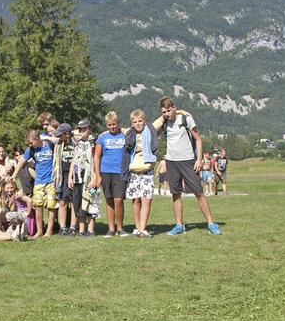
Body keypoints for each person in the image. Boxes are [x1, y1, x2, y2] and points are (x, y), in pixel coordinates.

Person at [156, 96, 221, 235]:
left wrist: (199, 159)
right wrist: (175, 112)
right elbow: (153, 132)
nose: (166, 114)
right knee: (176, 194)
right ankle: (179, 225)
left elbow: (198, 139)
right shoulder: (164, 123)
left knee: (199, 192)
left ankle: (211, 223)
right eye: (163, 112)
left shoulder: (186, 119)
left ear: (174, 107)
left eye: (169, 110)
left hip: (188, 161)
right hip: (171, 162)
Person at [11, 129, 59, 238]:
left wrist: (47, 137)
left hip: (51, 181)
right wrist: (14, 175)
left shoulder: (50, 144)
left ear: (38, 139)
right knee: (38, 206)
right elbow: (22, 161)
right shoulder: (31, 149)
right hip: (38, 182)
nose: (30, 144)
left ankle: (49, 231)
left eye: (31, 142)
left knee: (51, 207)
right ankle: (40, 231)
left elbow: (58, 138)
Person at [90, 111, 128, 238]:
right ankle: (111, 229)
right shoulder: (102, 137)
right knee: (109, 200)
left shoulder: (124, 136)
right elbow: (97, 157)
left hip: (120, 172)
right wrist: (97, 175)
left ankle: (120, 228)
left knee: (118, 200)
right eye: (109, 125)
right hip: (105, 171)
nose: (112, 127)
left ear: (118, 123)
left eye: (114, 124)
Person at [121, 110, 157, 239]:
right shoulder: (129, 133)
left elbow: (162, 118)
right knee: (136, 200)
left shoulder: (151, 130)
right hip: (133, 172)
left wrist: (182, 111)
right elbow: (114, 129)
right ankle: (137, 228)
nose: (138, 124)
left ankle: (143, 229)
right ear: (131, 124)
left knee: (146, 200)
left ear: (144, 121)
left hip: (147, 171)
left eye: (140, 121)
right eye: (135, 122)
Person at [69, 119, 96, 237]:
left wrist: (95, 177)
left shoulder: (94, 142)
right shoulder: (77, 143)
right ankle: (81, 229)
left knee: (90, 203)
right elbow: (74, 160)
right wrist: (70, 176)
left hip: (89, 178)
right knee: (77, 203)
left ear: (90, 130)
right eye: (80, 129)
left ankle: (90, 229)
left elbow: (95, 160)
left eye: (84, 129)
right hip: (77, 177)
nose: (81, 131)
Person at [52, 123, 77, 236]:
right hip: (62, 176)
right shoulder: (58, 144)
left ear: (67, 134)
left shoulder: (76, 143)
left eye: (60, 134)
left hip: (76, 176)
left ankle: (72, 227)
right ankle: (62, 227)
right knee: (62, 201)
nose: (58, 137)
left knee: (74, 202)